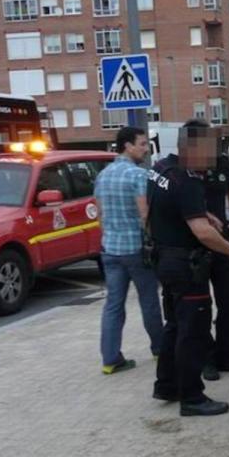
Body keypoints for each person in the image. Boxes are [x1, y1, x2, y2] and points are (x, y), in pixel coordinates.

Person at [148, 120, 229, 417]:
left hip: (165, 258)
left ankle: (166, 385)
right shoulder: (187, 179)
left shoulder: (161, 170)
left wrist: (202, 215)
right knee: (193, 330)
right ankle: (192, 396)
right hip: (187, 265)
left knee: (174, 326)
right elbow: (202, 233)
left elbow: (162, 212)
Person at [174, 127, 229, 381]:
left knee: (228, 305)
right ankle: (207, 360)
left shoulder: (222, 165)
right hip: (194, 245)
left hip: (223, 243)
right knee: (202, 309)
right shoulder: (180, 169)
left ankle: (226, 356)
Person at [94, 126, 163, 375]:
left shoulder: (103, 175)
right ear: (127, 145)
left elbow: (99, 214)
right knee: (149, 301)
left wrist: (109, 237)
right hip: (136, 249)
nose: (146, 149)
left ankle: (111, 359)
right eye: (142, 144)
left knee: (113, 304)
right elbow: (145, 213)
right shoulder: (138, 176)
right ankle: (159, 349)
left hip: (110, 249)